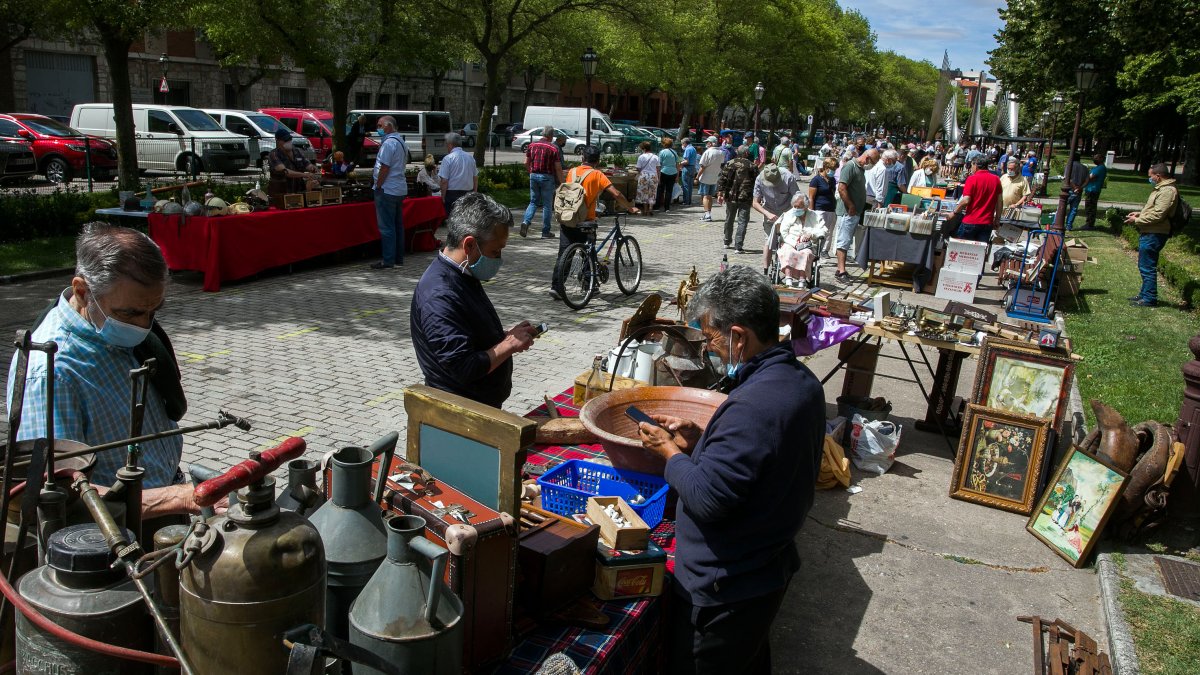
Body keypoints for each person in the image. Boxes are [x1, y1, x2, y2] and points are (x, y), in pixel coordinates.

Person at [634, 266, 823, 675]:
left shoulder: (753, 406)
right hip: (762, 568)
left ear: (738, 336)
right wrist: (702, 442)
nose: (710, 350)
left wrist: (669, 452)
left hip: (727, 591)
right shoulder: (802, 382)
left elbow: (707, 499)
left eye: (711, 338)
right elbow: (761, 460)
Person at [7, 224, 216, 516]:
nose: (143, 326)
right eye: (129, 313)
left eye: (153, 311)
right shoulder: (50, 373)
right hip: (112, 532)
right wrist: (177, 498)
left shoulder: (108, 325)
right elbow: (58, 495)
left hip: (160, 503)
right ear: (82, 291)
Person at [410, 193, 536, 409]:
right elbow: (464, 367)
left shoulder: (462, 273)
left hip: (477, 406)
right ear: (469, 245)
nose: (498, 259)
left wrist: (504, 335)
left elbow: (465, 331)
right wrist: (509, 345)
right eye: (495, 251)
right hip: (460, 414)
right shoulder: (440, 295)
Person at [550, 146, 639, 299]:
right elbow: (616, 193)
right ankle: (589, 285)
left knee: (564, 254)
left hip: (568, 218)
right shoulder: (597, 174)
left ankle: (557, 287)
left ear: (582, 158)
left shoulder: (572, 172)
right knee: (589, 253)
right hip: (586, 220)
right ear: (597, 161)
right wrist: (630, 208)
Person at [1124, 163, 1179, 307]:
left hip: (1155, 232)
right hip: (1150, 231)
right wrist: (1140, 214)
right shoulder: (1161, 189)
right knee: (1144, 265)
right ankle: (1144, 294)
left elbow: (1159, 215)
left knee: (1147, 266)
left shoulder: (1167, 191)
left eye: (1151, 176)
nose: (1150, 179)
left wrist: (1137, 220)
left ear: (1158, 176)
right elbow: (1154, 209)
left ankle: (1149, 298)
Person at [371, 115, 409, 270]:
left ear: (388, 126)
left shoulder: (388, 143)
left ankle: (388, 260)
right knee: (397, 225)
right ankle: (398, 259)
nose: (378, 129)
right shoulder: (400, 141)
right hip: (398, 188)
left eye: (380, 126)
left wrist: (378, 185)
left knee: (387, 226)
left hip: (387, 189)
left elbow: (384, 167)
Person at [834, 148, 876, 282]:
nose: (873, 165)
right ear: (867, 158)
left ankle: (841, 269)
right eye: (873, 162)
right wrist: (851, 205)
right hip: (848, 211)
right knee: (844, 241)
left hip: (854, 211)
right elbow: (841, 188)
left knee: (846, 241)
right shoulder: (850, 166)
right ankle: (841, 271)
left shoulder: (860, 168)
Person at [752, 162, 799, 269]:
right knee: (768, 240)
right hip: (769, 211)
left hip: (787, 211)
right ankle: (766, 270)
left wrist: (793, 214)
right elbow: (755, 203)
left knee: (786, 241)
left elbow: (797, 198)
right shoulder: (759, 179)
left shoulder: (788, 177)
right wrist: (767, 213)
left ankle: (786, 269)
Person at [520, 126, 565, 239]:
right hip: (547, 177)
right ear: (551, 136)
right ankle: (545, 231)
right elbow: (558, 168)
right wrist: (562, 183)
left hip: (534, 176)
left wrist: (531, 172)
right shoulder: (553, 148)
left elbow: (526, 162)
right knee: (547, 205)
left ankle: (526, 221)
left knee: (533, 202)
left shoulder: (532, 145)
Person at [950, 156, 1003, 242]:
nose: (971, 168)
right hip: (987, 222)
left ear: (976, 166)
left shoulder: (972, 179)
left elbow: (966, 200)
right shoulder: (996, 179)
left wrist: (954, 212)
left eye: (971, 165)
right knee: (980, 249)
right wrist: (997, 219)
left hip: (971, 221)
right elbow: (999, 202)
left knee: (963, 248)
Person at [776, 193, 824, 287]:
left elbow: (823, 230)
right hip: (790, 242)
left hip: (807, 244)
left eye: (799, 207)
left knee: (806, 253)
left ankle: (802, 280)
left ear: (806, 207)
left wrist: (811, 234)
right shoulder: (789, 214)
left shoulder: (815, 216)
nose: (796, 209)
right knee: (788, 252)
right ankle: (788, 279)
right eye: (795, 206)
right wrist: (794, 243)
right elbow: (783, 232)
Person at [717, 146, 758, 253]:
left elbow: (722, 179)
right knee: (742, 221)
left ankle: (727, 241)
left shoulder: (730, 163)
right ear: (746, 153)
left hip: (731, 196)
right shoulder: (752, 165)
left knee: (729, 219)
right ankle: (738, 246)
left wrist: (720, 193)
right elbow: (756, 183)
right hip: (746, 197)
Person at [267, 127, 320, 198]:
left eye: (290, 139)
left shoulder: (297, 151)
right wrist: (304, 175)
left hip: (299, 191)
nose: (288, 141)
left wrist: (312, 168)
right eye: (285, 140)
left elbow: (307, 164)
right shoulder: (274, 154)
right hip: (282, 193)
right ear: (278, 141)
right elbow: (285, 172)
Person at [438, 132, 477, 215]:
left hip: (452, 195)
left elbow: (444, 181)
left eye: (447, 145)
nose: (446, 147)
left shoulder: (448, 158)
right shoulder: (470, 157)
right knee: (466, 218)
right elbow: (475, 178)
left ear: (450, 144)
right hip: (468, 193)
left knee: (452, 218)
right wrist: (475, 193)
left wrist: (443, 197)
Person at [808, 157, 839, 257]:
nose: (833, 171)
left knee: (829, 232)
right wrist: (811, 211)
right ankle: (815, 249)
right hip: (819, 209)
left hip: (831, 209)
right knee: (819, 231)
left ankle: (824, 250)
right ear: (826, 167)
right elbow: (811, 197)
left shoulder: (832, 180)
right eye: (832, 169)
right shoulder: (816, 180)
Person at [697, 136, 724, 222]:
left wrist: (697, 176)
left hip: (705, 177)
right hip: (715, 177)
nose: (706, 144)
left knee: (705, 196)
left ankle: (707, 214)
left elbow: (702, 166)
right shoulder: (721, 152)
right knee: (710, 196)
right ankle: (708, 213)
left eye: (707, 142)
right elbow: (722, 165)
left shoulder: (708, 152)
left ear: (711, 143)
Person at [1081, 153, 1108, 230]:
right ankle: (1089, 223)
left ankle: (1089, 224)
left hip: (1093, 190)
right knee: (1089, 206)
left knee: (1090, 207)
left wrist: (1086, 177)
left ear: (1101, 159)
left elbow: (1090, 177)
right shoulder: (1098, 167)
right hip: (1091, 189)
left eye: (1096, 158)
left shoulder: (1101, 168)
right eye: (1094, 157)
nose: (1094, 159)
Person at [634, 141, 661, 215]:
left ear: (644, 149)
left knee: (644, 192)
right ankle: (651, 208)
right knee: (652, 192)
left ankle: (645, 210)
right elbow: (658, 169)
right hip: (653, 176)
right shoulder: (656, 157)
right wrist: (659, 178)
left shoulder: (641, 157)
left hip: (644, 176)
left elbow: (638, 168)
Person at [1063, 153, 1089, 230]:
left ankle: (1056, 222)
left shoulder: (1069, 166)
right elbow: (1087, 180)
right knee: (1073, 209)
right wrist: (1080, 188)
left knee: (1062, 207)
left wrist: (1074, 188)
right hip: (1079, 190)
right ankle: (1069, 225)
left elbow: (1067, 178)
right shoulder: (1084, 168)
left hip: (1069, 189)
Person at [656, 138, 680, 212]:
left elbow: (659, 164)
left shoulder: (662, 152)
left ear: (664, 144)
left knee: (660, 190)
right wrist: (677, 176)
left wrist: (658, 176)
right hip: (673, 172)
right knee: (669, 191)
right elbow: (677, 164)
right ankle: (667, 207)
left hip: (663, 172)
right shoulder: (674, 152)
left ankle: (657, 206)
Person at [679, 138, 699, 206]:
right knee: (690, 185)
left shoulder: (687, 149)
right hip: (692, 168)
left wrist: (680, 163)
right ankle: (689, 201)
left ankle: (686, 201)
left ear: (685, 143)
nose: (682, 145)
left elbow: (686, 161)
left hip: (687, 168)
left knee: (685, 185)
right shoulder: (693, 148)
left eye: (682, 144)